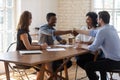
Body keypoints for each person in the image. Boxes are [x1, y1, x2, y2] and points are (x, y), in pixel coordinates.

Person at [75, 11, 120, 80]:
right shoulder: (111, 28)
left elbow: (93, 48)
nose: (96, 20)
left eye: (98, 18)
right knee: (100, 63)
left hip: (113, 62)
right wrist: (76, 30)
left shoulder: (102, 31)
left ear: (101, 20)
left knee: (88, 66)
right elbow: (91, 33)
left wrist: (81, 46)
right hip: (117, 60)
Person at [38, 13, 72, 77]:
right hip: (43, 53)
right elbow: (53, 33)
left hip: (51, 53)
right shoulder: (43, 28)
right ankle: (52, 76)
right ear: (48, 20)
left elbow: (59, 39)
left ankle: (53, 75)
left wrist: (62, 41)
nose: (55, 21)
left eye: (55, 19)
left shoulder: (53, 29)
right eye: (53, 19)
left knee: (68, 62)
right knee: (50, 62)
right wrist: (69, 31)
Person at [16, 11, 48, 80]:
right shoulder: (23, 33)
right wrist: (41, 47)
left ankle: (50, 77)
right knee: (42, 63)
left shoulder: (25, 31)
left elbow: (29, 44)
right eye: (30, 18)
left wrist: (40, 44)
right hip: (21, 59)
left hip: (26, 56)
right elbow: (29, 47)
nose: (31, 20)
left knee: (43, 62)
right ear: (27, 20)